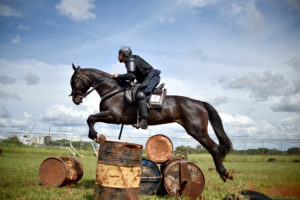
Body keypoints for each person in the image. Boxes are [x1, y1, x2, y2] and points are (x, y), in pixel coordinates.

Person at [113, 46, 161, 129]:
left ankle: (144, 121)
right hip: (146, 80)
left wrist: (118, 76)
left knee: (140, 94)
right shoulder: (130, 60)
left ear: (124, 55)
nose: (118, 56)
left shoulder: (130, 60)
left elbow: (131, 76)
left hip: (152, 78)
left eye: (119, 54)